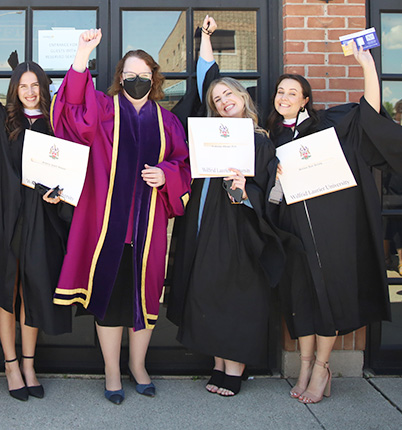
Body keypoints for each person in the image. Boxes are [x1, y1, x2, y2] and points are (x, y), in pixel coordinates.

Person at [266, 41, 402, 404]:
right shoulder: (271, 135)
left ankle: (322, 368)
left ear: (305, 100)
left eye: (293, 92)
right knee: (302, 301)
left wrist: (367, 64)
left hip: (332, 230)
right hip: (293, 232)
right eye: (279, 91)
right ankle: (303, 367)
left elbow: (369, 112)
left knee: (330, 299)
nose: (284, 96)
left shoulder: (330, 123)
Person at [51, 29, 191, 405]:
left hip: (148, 229)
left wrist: (167, 175)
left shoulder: (168, 122)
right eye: (129, 74)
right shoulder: (104, 109)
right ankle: (113, 371)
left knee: (144, 298)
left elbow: (184, 163)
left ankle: (138, 365)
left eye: (143, 73)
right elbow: (72, 110)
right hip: (106, 227)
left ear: (154, 78)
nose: (136, 79)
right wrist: (83, 53)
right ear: (119, 78)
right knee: (110, 302)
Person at [166, 15, 284, 397]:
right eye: (217, 100)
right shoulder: (210, 136)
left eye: (229, 95)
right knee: (209, 291)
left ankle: (235, 367)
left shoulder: (261, 141)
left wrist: (245, 189)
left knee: (237, 295)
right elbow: (204, 79)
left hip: (242, 229)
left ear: (243, 97)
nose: (223, 101)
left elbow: (272, 194)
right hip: (208, 224)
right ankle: (218, 363)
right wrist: (204, 39)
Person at [0, 25, 73, 402]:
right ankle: (10, 365)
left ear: (43, 88)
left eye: (35, 85)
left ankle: (29, 363)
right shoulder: (4, 120)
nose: (29, 91)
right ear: (14, 88)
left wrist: (61, 196)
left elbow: (68, 172)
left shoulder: (55, 122)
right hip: (5, 217)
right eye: (22, 85)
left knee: (34, 291)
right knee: (5, 291)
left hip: (42, 220)